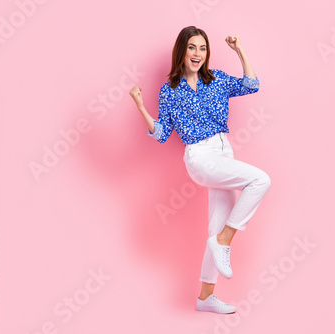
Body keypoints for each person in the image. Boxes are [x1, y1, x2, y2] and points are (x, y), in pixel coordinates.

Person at [129, 26, 271, 314]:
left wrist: (239, 49)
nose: (197, 54)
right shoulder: (169, 90)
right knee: (260, 179)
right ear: (182, 51)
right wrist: (141, 107)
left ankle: (205, 297)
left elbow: (252, 84)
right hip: (200, 157)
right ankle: (224, 241)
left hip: (223, 151)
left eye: (203, 48)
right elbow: (162, 134)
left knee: (215, 226)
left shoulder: (216, 79)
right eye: (192, 47)